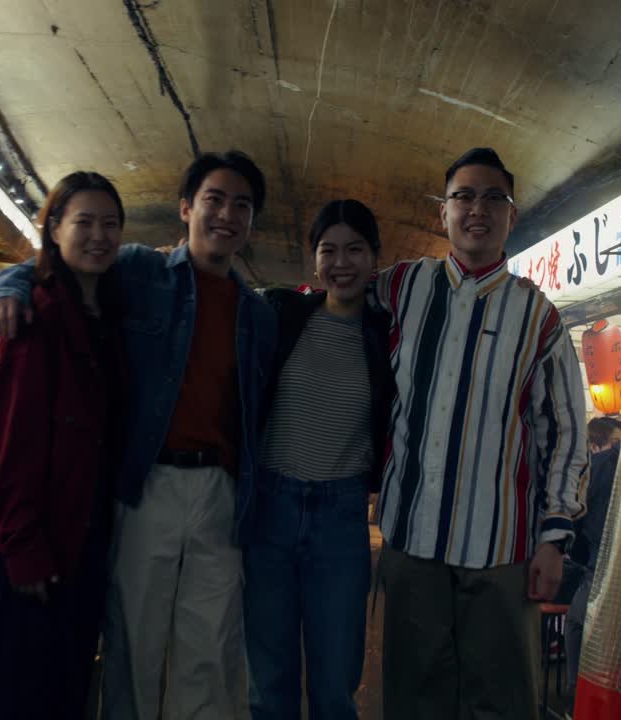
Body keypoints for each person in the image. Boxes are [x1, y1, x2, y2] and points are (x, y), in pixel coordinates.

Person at [0, 151, 277, 720]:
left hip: (219, 492)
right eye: (214, 199)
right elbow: (56, 263)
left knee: (210, 647)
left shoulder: (257, 315)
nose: (227, 214)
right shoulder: (142, 271)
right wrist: (9, 286)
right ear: (186, 208)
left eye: (242, 206)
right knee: (133, 641)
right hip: (148, 483)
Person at [374, 147, 590, 720]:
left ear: (511, 217)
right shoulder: (400, 288)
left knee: (499, 700)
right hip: (410, 542)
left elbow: (568, 431)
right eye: (464, 196)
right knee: (412, 696)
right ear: (442, 213)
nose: (478, 208)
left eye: (494, 197)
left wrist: (554, 538)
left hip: (501, 551)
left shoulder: (538, 315)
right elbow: (333, 302)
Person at [0, 171, 128, 719]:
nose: (98, 236)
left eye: (110, 225)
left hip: (81, 542)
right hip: (34, 545)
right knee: (26, 694)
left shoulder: (107, 316)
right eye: (83, 222)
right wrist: (24, 546)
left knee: (65, 693)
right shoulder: (34, 315)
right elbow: (4, 443)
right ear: (54, 229)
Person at [247, 199, 393, 720]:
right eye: (328, 250)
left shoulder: (387, 335)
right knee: (268, 686)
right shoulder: (281, 314)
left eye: (355, 249)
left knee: (335, 689)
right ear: (313, 261)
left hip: (341, 518)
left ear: (375, 258)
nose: (341, 263)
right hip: (270, 513)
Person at [565, 415, 621, 711]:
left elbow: (577, 516)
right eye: (617, 442)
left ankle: (576, 696)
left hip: (599, 566)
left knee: (576, 619)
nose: (620, 448)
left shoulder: (598, 467)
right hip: (611, 566)